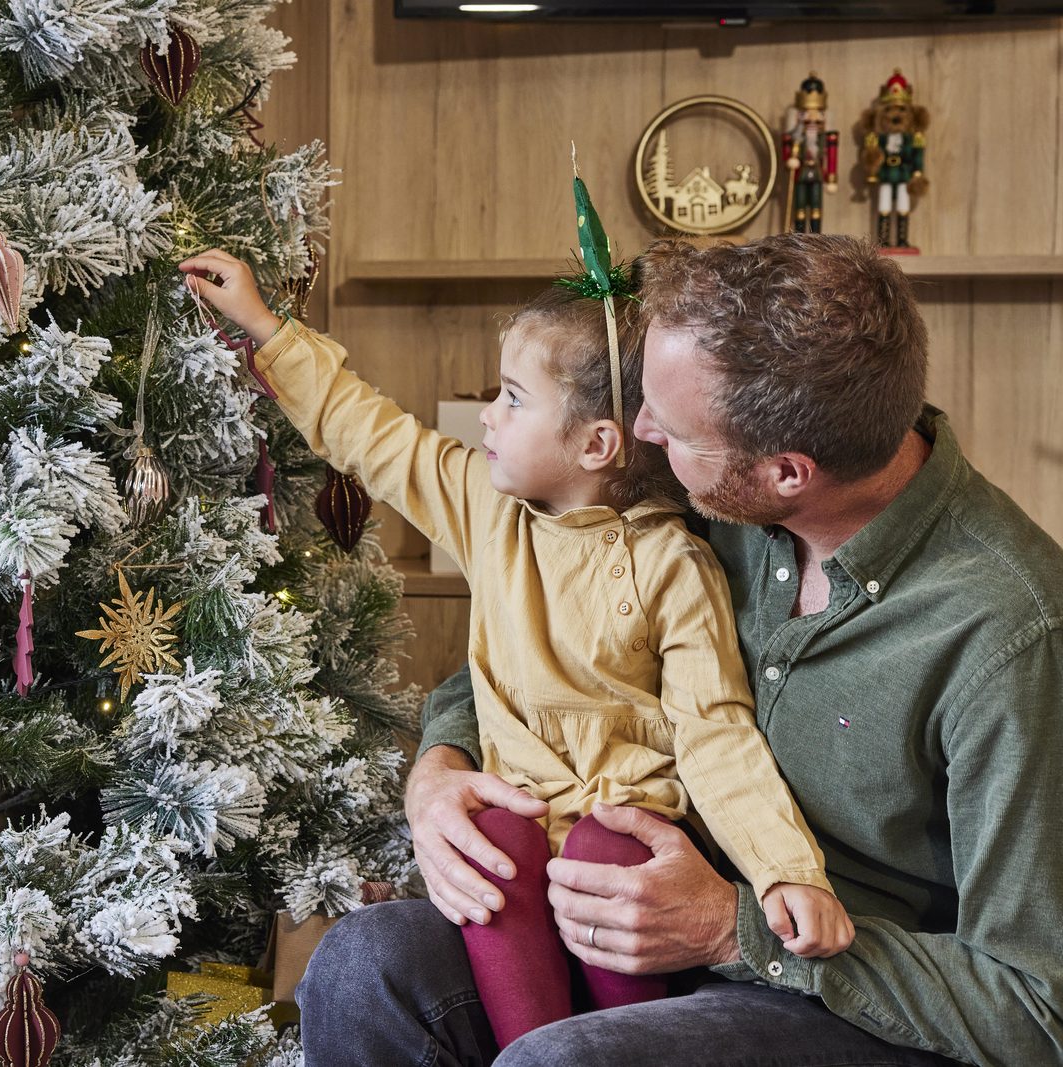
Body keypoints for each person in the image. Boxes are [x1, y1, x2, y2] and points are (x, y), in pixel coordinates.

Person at [296, 233, 1063, 1067]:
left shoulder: (1009, 635)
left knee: (561, 1061)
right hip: (621, 899)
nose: (639, 431)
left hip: (842, 996)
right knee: (361, 965)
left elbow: (1035, 1003)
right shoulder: (701, 492)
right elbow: (551, 653)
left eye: (670, 423)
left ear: (786, 472)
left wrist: (732, 933)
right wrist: (439, 768)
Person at [175, 239, 851, 1050]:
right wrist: (263, 324)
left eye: (512, 398)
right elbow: (371, 434)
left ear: (598, 444)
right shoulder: (486, 509)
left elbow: (717, 733)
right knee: (497, 842)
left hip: (622, 839)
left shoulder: (677, 565)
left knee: (613, 844)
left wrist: (788, 870)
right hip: (517, 829)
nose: (486, 416)